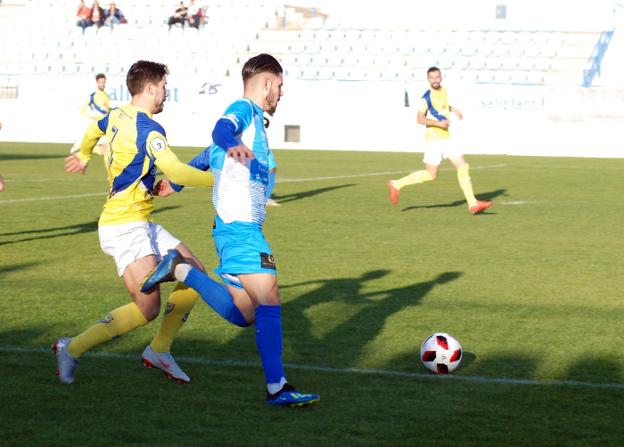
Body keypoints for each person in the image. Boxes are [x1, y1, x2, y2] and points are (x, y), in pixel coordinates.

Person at [142, 54, 320, 407]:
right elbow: (219, 132)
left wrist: (175, 185)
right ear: (266, 82)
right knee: (270, 298)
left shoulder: (254, 124)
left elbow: (209, 153)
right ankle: (278, 387)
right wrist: (231, 142)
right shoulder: (244, 110)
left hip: (235, 228)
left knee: (246, 313)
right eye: (280, 85)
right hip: (240, 229)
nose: (281, 93)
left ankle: (179, 269)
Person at [53, 60, 214, 385]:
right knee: (147, 308)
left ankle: (160, 349)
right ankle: (71, 348)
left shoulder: (115, 115)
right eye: (164, 86)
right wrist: (222, 181)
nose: (166, 92)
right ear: (151, 87)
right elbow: (178, 171)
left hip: (139, 219)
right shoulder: (149, 128)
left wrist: (84, 155)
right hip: (125, 226)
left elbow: (92, 131)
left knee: (197, 275)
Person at [387, 67, 492, 215]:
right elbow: (419, 119)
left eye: (437, 77)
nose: (435, 80)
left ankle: (473, 204)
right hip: (434, 140)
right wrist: (439, 124)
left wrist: (454, 110)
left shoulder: (444, 91)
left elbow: (441, 105)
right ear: (428, 79)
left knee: (463, 167)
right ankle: (396, 184)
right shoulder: (426, 98)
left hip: (446, 138)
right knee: (431, 175)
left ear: (441, 77)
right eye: (432, 78)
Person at [70, 73, 110, 156]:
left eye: (104, 82)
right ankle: (82, 145)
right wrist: (91, 117)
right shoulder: (93, 96)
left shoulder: (106, 95)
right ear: (97, 83)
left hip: (104, 124)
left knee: (104, 150)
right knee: (104, 150)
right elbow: (82, 110)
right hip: (96, 125)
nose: (102, 84)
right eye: (100, 82)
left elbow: (106, 109)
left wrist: (112, 110)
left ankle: (82, 147)